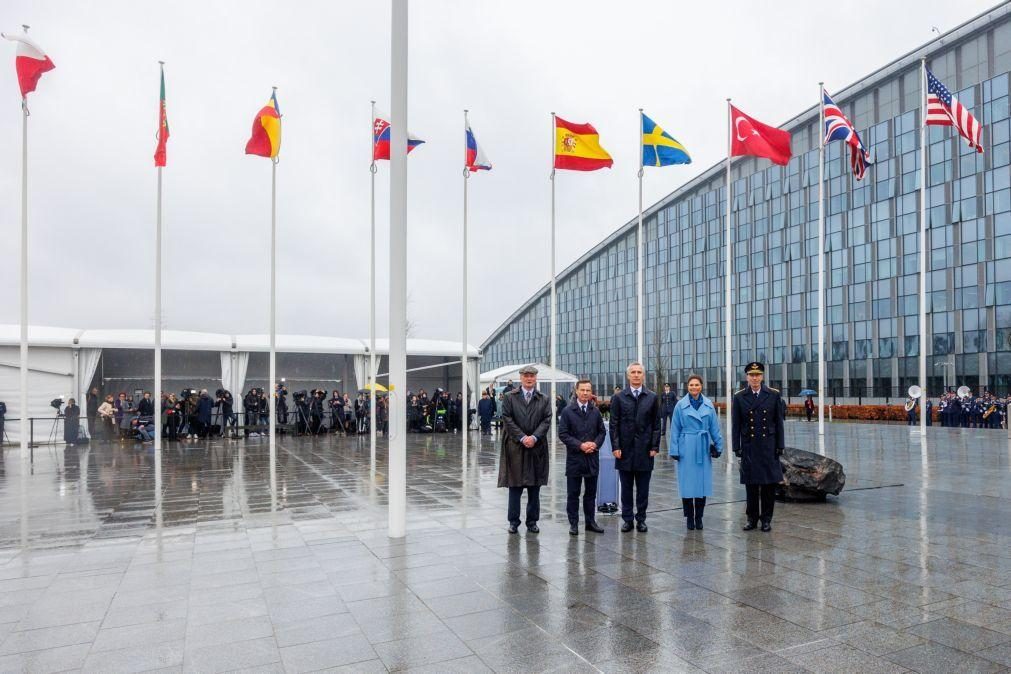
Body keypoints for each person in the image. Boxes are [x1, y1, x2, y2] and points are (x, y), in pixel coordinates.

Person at [731, 362, 785, 532]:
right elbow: (736, 425)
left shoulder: (773, 395)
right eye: (751, 375)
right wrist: (736, 446)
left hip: (768, 445)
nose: (755, 378)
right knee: (751, 485)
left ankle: (767, 519)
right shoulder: (739, 397)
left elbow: (779, 423)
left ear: (762, 376)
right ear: (747, 377)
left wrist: (780, 445)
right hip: (749, 446)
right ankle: (752, 518)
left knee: (769, 485)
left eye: (758, 375)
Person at [497, 364, 551, 534]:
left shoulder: (544, 398)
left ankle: (532, 521)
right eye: (526, 376)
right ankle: (513, 521)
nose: (529, 379)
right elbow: (507, 418)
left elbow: (547, 419)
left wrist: (534, 437)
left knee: (535, 488)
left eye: (532, 376)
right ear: (521, 378)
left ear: (536, 378)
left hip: (537, 448)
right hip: (515, 448)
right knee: (515, 487)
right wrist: (522, 437)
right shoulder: (509, 397)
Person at [609, 362, 661, 533]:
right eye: (633, 372)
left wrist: (654, 446)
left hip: (645, 450)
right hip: (624, 450)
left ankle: (641, 519)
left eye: (639, 372)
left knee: (643, 489)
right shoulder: (619, 397)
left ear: (643, 375)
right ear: (628, 376)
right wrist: (615, 446)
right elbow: (614, 424)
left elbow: (656, 424)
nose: (636, 375)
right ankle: (628, 519)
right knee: (626, 488)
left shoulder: (652, 397)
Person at [669, 375, 723, 530]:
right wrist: (674, 449)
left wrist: (718, 446)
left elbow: (714, 427)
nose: (694, 387)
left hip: (703, 446)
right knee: (687, 485)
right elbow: (675, 428)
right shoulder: (680, 405)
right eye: (691, 385)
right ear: (687, 387)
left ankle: (699, 517)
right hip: (686, 446)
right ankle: (689, 517)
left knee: (701, 484)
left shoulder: (708, 405)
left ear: (701, 386)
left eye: (697, 385)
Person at [558, 379, 606, 536]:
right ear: (576, 391)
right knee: (573, 493)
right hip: (575, 459)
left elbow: (602, 432)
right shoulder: (567, 411)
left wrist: (595, 444)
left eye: (588, 390)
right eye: (582, 390)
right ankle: (573, 523)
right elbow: (563, 434)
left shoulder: (595, 411)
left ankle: (590, 522)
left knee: (591, 493)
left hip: (592, 458)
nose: (585, 393)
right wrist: (580, 445)